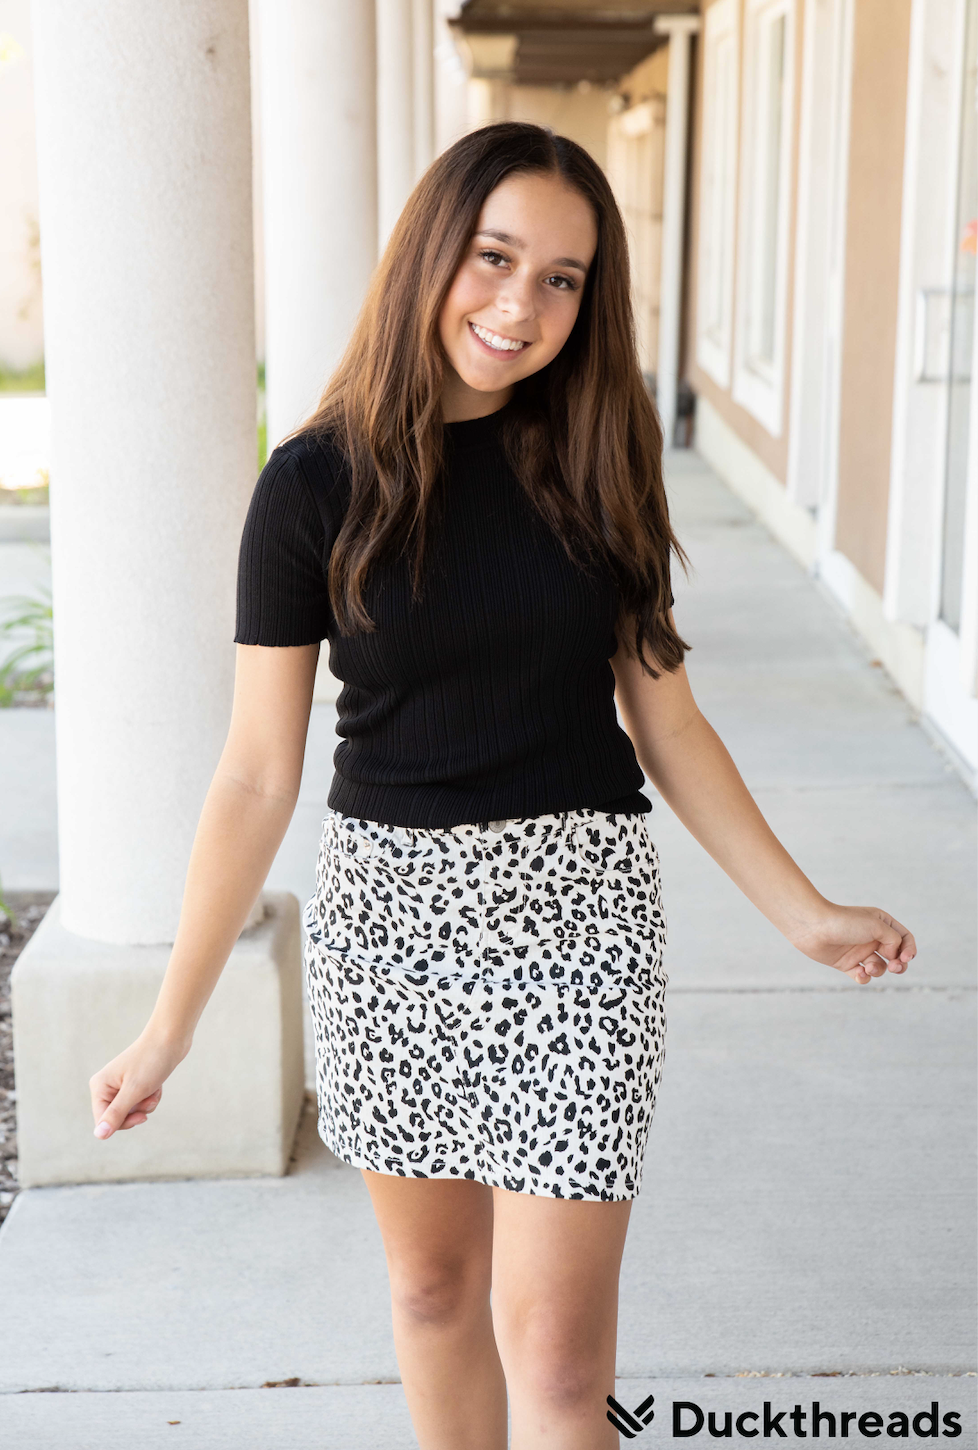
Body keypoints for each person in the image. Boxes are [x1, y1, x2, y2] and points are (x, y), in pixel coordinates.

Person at [89, 122, 916, 1449]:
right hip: (389, 927)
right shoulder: (311, 487)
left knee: (558, 1349)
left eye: (562, 279)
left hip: (579, 923)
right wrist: (174, 1019)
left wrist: (801, 911)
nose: (520, 305)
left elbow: (666, 716)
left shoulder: (598, 458)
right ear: (431, 252)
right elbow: (254, 773)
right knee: (429, 1288)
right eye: (494, 257)